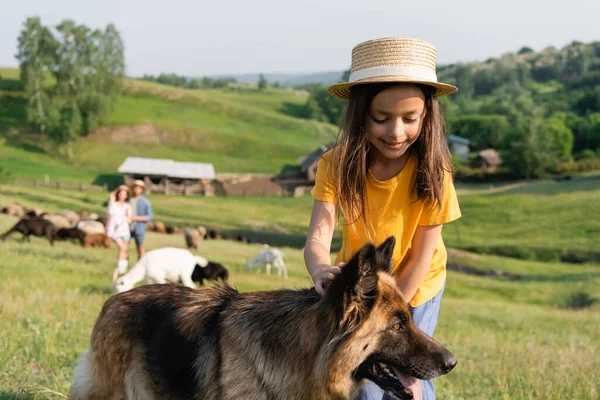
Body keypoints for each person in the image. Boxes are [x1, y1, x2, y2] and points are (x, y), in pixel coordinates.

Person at [303, 37, 461, 400]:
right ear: (361, 114)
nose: (395, 132)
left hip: (417, 288)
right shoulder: (335, 164)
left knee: (413, 370)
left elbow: (423, 256)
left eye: (410, 119)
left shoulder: (435, 173)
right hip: (363, 289)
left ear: (427, 117)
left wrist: (393, 315)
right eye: (381, 118)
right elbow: (319, 233)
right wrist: (318, 267)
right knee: (363, 383)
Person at [106, 185, 133, 280]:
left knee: (124, 250)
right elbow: (110, 213)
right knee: (121, 248)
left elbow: (130, 219)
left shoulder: (127, 206)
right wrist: (111, 200)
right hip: (115, 231)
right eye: (121, 194)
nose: (122, 196)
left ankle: (122, 269)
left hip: (124, 230)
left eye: (124, 194)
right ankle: (121, 269)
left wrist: (127, 216)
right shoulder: (113, 204)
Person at [129, 179, 153, 260]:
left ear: (142, 190)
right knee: (124, 246)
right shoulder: (128, 200)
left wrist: (135, 218)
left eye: (139, 188)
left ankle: (141, 264)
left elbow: (150, 216)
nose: (137, 190)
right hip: (127, 227)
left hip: (139, 228)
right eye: (135, 188)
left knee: (140, 247)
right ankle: (123, 266)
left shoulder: (145, 202)